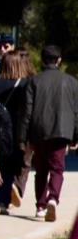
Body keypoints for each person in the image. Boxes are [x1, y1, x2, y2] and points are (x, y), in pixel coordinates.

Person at [19, 45, 78, 222]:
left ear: (43, 60)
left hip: (38, 132)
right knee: (57, 168)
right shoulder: (72, 82)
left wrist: (23, 138)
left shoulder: (33, 82)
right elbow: (76, 111)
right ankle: (53, 198)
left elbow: (27, 113)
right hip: (62, 132)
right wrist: (75, 136)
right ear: (59, 60)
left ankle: (40, 206)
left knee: (41, 170)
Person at [0, 48, 34, 214]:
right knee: (17, 165)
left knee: (1, 166)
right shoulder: (25, 84)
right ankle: (12, 190)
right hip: (17, 129)